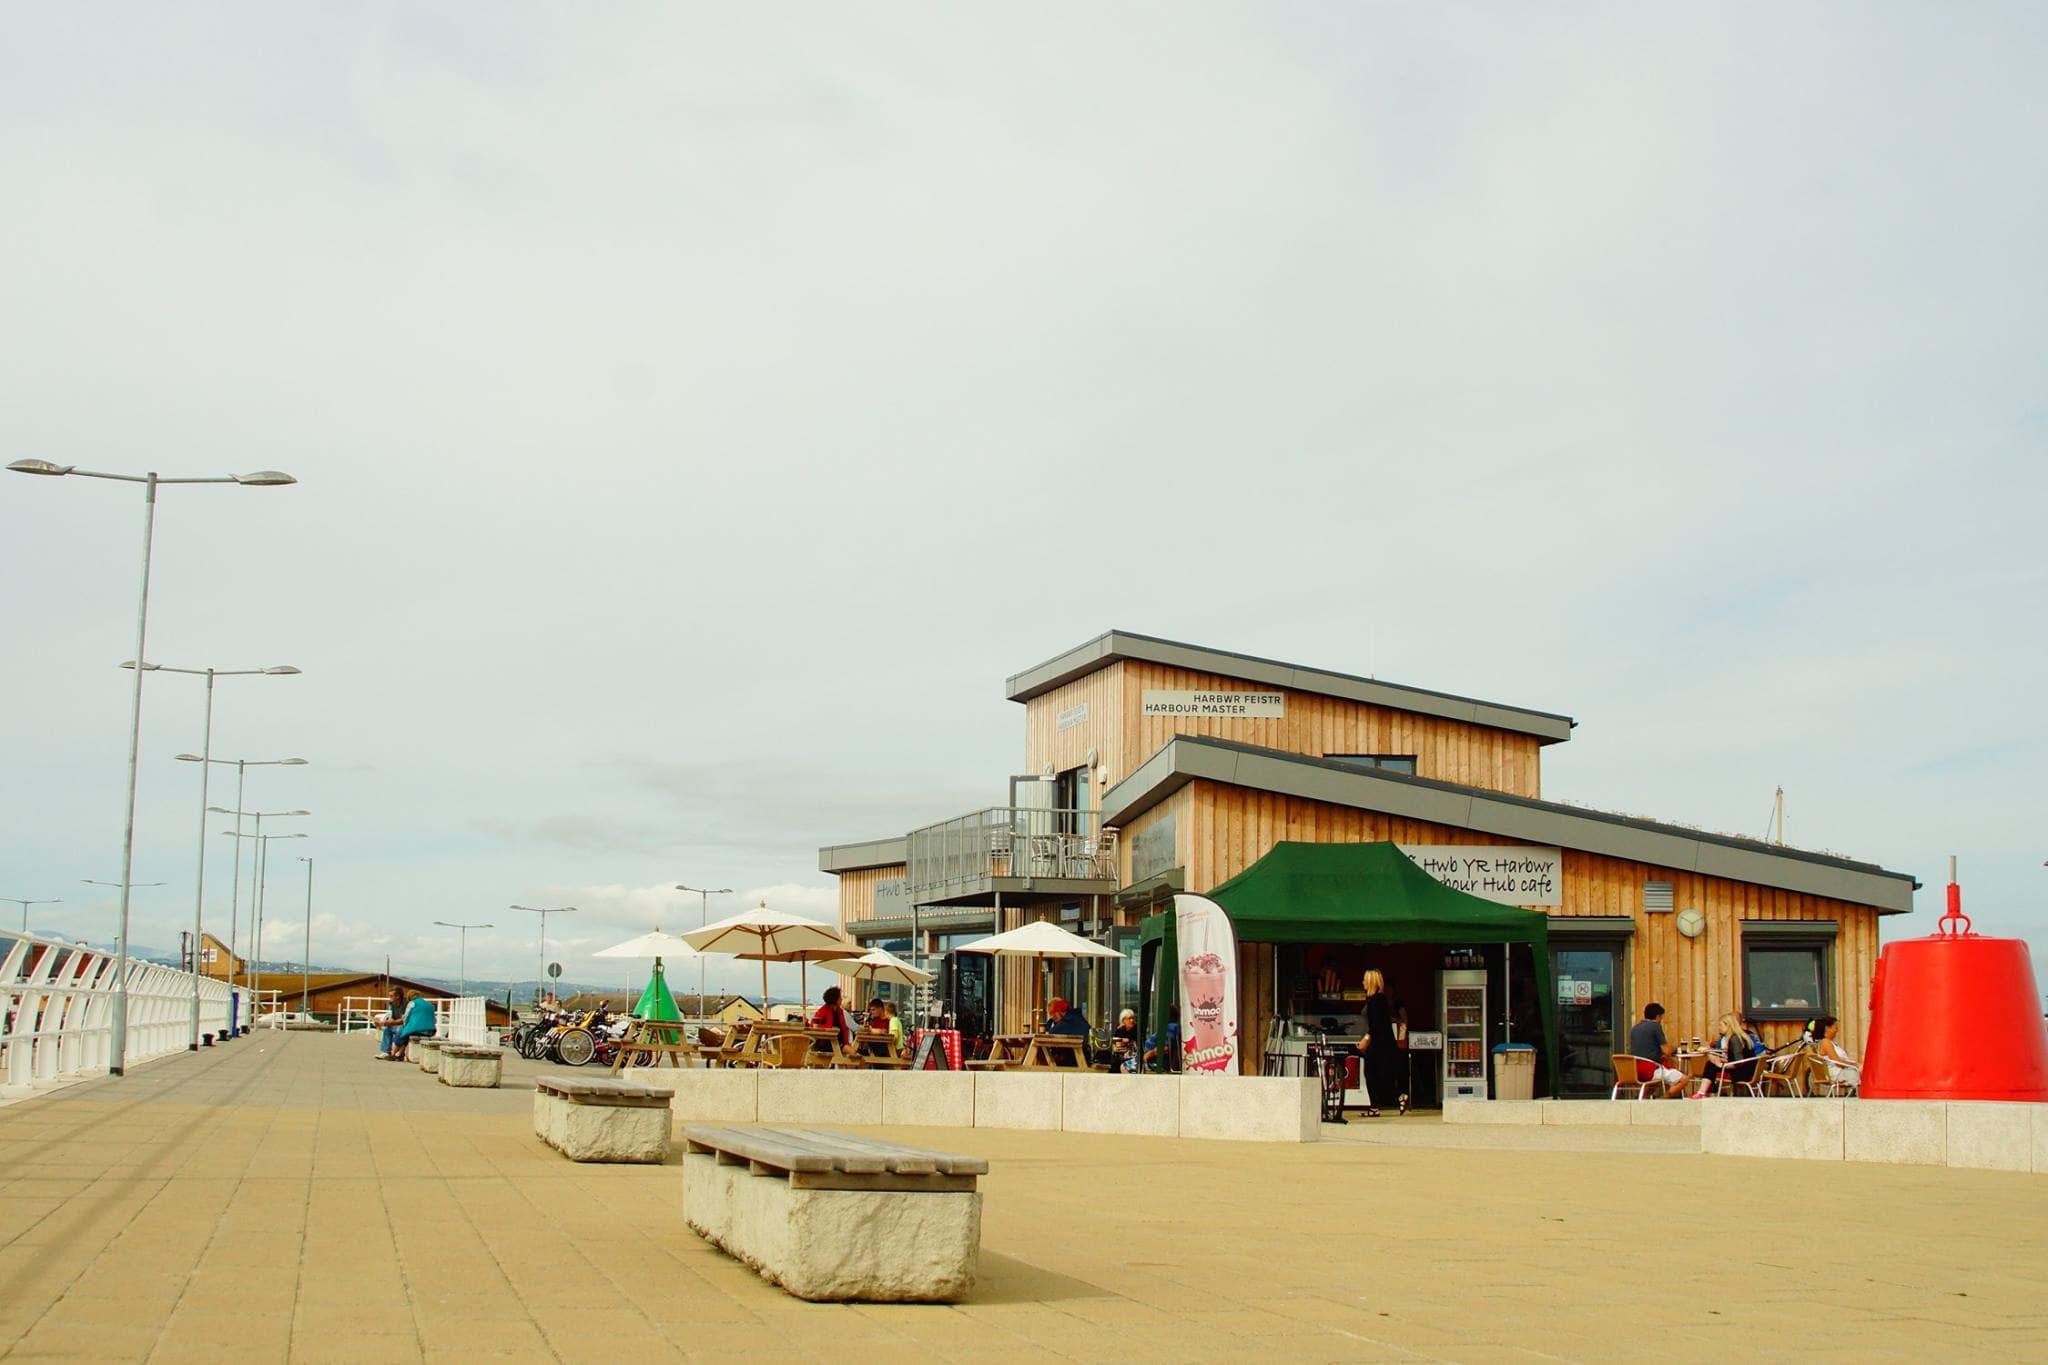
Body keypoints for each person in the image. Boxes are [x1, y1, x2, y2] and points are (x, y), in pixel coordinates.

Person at [1353, 969, 1406, 1117]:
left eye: (1365, 979)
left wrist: (1365, 1040)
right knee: (1379, 1073)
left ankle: (1377, 1106)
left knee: (1371, 1073)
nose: (1362, 982)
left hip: (1378, 1043)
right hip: (1382, 1043)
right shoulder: (1378, 999)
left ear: (1371, 981)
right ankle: (1398, 1096)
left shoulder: (1376, 1000)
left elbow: (1376, 1025)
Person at [1627, 1002, 1691, 1098]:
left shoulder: (1634, 1028)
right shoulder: (1655, 1026)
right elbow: (1666, 1051)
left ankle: (1643, 1100)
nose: (1661, 1020)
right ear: (1657, 1017)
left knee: (1657, 1080)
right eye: (1661, 1017)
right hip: (1650, 1070)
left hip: (1634, 1070)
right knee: (1684, 1079)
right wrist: (1675, 1047)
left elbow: (1645, 1049)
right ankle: (1663, 1100)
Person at [1815, 1015, 1861, 1091]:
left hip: (1844, 1070)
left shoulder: (1832, 1042)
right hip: (1838, 1073)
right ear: (1827, 1028)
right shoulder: (1826, 1043)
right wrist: (1855, 1065)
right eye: (1835, 1027)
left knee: (1865, 1070)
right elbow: (1837, 1062)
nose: (1837, 1030)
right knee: (1864, 1072)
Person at [811, 986, 853, 1052]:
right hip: (827, 1043)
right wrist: (830, 1029)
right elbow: (814, 1026)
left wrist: (847, 1043)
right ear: (834, 999)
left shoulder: (840, 1011)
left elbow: (844, 1029)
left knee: (854, 1054)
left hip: (838, 1043)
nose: (841, 999)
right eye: (840, 997)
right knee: (853, 1053)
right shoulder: (823, 1011)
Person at [376, 986, 407, 1059]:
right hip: (397, 1024)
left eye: (391, 996)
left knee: (399, 1030)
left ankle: (397, 1052)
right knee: (387, 1029)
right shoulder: (393, 1004)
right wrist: (383, 1022)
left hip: (404, 1025)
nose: (390, 998)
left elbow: (404, 1019)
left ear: (398, 996)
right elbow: (393, 1017)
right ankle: (385, 1051)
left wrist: (391, 1022)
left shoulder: (406, 1004)